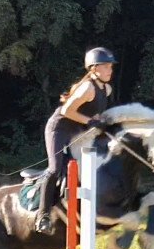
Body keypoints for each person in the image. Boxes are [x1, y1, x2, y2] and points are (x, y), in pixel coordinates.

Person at [35, 46, 117, 234]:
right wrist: (91, 122)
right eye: (106, 67)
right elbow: (66, 111)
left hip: (77, 132)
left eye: (111, 67)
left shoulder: (107, 89)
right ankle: (43, 216)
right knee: (55, 168)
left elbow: (94, 114)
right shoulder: (88, 87)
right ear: (93, 68)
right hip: (59, 129)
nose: (110, 70)